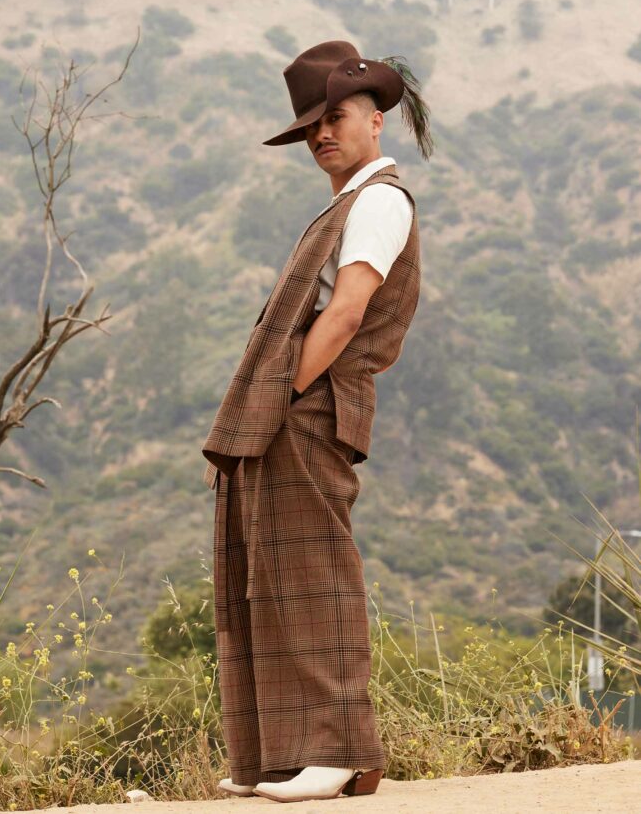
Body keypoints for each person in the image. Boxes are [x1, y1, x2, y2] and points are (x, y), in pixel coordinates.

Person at [201, 40, 432, 803]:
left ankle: (339, 751)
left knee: (315, 571)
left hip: (312, 407)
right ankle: (278, 756)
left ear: (376, 123)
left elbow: (346, 314)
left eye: (335, 118)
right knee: (270, 576)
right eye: (311, 126)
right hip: (295, 408)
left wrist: (283, 396)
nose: (322, 135)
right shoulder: (345, 202)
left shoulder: (378, 201)